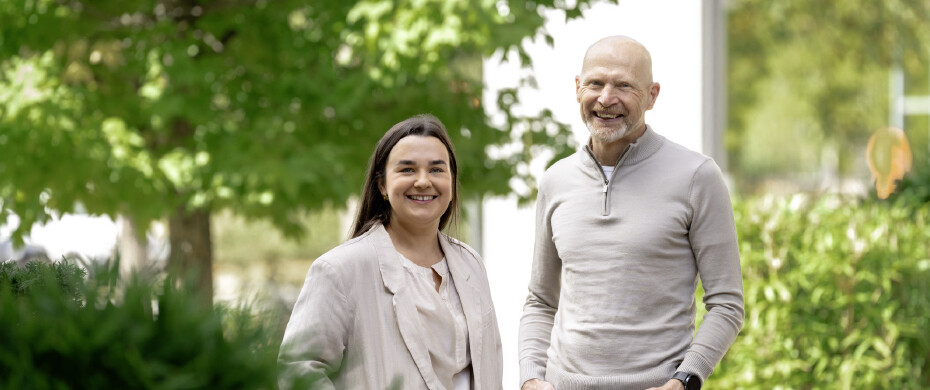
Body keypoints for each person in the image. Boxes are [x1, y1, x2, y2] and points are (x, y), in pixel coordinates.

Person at [517, 36, 744, 390]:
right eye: (595, 83)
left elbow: (727, 304)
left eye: (624, 85)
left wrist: (684, 380)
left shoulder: (697, 176)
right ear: (578, 88)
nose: (606, 99)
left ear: (652, 95)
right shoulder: (555, 180)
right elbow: (540, 300)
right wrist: (531, 377)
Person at [279, 114, 504, 390]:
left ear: (452, 181)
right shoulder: (341, 269)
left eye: (436, 169)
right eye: (407, 170)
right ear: (382, 185)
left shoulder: (471, 264)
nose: (423, 181)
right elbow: (298, 370)